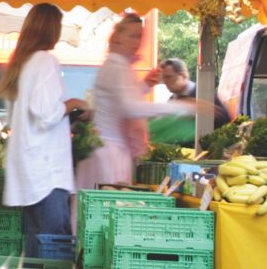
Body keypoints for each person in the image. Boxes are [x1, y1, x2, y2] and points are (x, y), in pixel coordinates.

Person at [0, 3, 87, 255]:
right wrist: (74, 103)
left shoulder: (20, 65)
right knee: (54, 247)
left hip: (28, 170)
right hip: (47, 173)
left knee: (35, 246)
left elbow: (25, 118)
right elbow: (46, 114)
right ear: (51, 29)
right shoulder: (45, 61)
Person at [77, 14, 199, 190]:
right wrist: (181, 107)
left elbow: (120, 102)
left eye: (139, 36)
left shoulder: (117, 65)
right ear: (118, 36)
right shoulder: (117, 67)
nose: (137, 42)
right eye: (132, 36)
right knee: (108, 206)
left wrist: (144, 86)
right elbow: (130, 108)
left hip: (109, 149)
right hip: (109, 152)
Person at [155, 57, 231, 127]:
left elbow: (224, 120)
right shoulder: (172, 99)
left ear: (184, 75)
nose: (165, 82)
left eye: (169, 77)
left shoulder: (204, 94)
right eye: (164, 78)